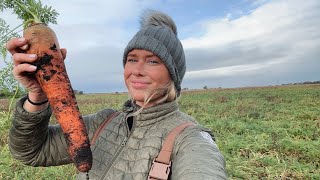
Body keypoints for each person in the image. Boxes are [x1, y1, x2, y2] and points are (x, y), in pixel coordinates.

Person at [7, 10, 227, 179]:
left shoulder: (188, 138)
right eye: (132, 59)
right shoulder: (103, 122)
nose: (137, 70)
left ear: (173, 74)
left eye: (152, 61)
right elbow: (31, 152)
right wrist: (38, 95)